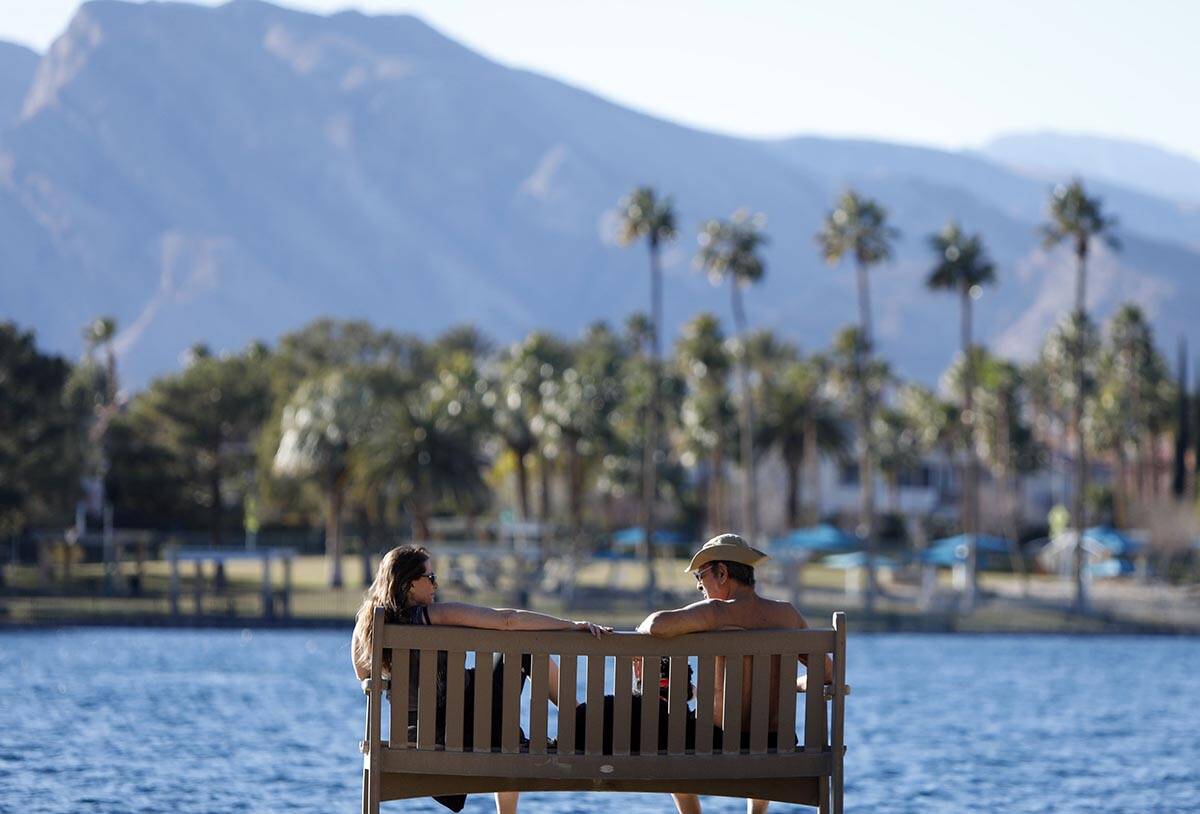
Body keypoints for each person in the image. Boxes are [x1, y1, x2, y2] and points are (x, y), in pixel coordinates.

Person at [351, 545, 610, 814]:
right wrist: (571, 624)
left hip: (416, 738)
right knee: (522, 653)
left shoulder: (370, 624)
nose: (435, 584)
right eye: (430, 578)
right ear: (408, 584)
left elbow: (363, 674)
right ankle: (583, 721)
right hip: (470, 729)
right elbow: (508, 620)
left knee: (489, 705)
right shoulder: (436, 615)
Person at [636, 533, 833, 814]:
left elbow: (656, 625)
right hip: (776, 742)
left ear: (723, 573)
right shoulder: (788, 615)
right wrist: (796, 685)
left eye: (700, 576)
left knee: (671, 737)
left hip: (714, 740)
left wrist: (641, 626)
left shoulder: (715, 612)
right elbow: (828, 674)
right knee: (757, 736)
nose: (699, 587)